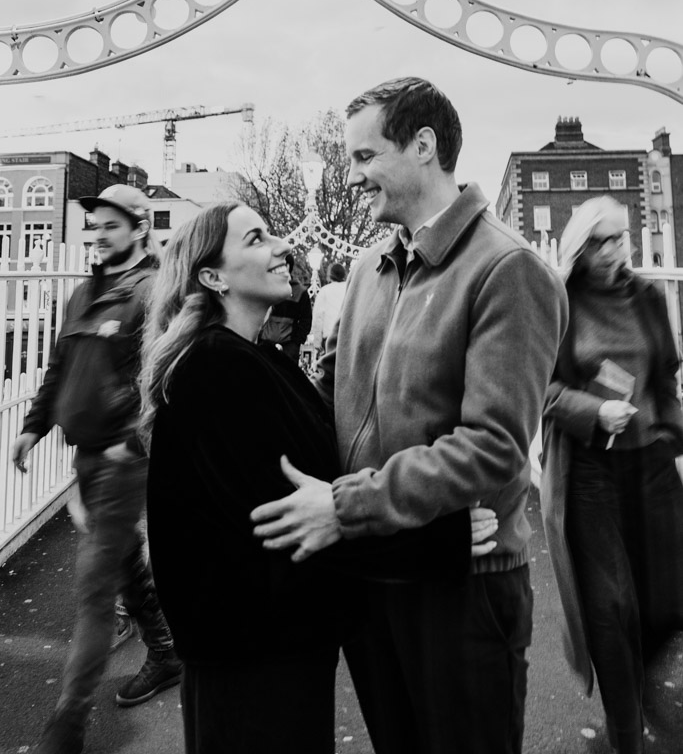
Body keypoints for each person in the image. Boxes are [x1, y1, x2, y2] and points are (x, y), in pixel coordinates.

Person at [251, 76, 568, 754]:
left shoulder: (507, 269)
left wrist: (344, 506)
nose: (352, 176)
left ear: (422, 146)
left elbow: (492, 447)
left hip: (464, 589)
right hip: (374, 574)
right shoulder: (367, 270)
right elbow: (328, 398)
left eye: (365, 157)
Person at [140, 201, 490, 754]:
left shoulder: (259, 358)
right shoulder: (216, 367)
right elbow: (291, 524)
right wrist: (438, 541)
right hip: (251, 662)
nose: (282, 246)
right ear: (212, 277)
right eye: (256, 239)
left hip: (275, 647)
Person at [12, 184, 182, 754]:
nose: (100, 234)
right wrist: (34, 426)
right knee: (121, 562)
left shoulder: (153, 292)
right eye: (96, 225)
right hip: (85, 457)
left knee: (91, 588)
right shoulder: (84, 292)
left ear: (138, 228)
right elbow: (60, 366)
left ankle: (68, 724)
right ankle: (164, 653)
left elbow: (162, 379)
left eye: (112, 225)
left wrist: (132, 440)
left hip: (121, 460)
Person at [540, 195, 683, 754]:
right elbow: (542, 390)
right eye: (598, 240)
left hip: (650, 466)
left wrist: (670, 429)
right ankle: (627, 735)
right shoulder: (561, 301)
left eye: (620, 237)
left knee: (666, 602)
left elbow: (665, 374)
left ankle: (640, 685)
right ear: (579, 245)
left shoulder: (646, 295)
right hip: (592, 471)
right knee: (610, 606)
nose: (612, 251)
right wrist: (592, 411)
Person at [259, 252, 312, 362]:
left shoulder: (300, 292)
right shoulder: (264, 287)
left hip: (288, 347)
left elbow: (306, 319)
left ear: (287, 266)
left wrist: (296, 343)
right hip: (264, 344)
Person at [311, 261, 347, 352]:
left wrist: (317, 341)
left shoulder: (324, 291)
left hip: (329, 335)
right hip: (346, 335)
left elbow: (318, 317)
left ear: (330, 275)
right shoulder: (349, 289)